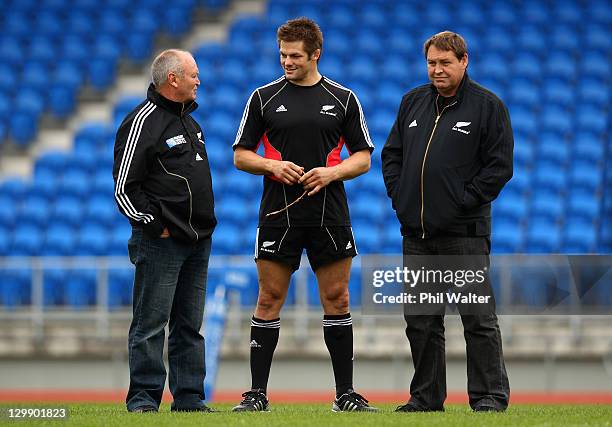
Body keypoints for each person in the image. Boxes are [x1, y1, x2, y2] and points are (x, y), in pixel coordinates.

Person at [231, 18, 377, 412]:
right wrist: (272, 167)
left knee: (337, 297)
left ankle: (344, 394)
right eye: (282, 54)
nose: (286, 62)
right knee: (268, 298)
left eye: (295, 55)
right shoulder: (262, 97)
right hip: (278, 214)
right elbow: (240, 155)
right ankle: (256, 394)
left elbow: (363, 157)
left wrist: (332, 172)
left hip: (330, 215)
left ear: (316, 54)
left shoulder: (343, 98)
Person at [381, 31, 512, 412]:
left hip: (464, 235)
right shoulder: (412, 103)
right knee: (420, 322)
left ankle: (489, 397)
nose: (437, 70)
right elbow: (392, 157)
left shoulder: (488, 107)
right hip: (417, 234)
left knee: (477, 320)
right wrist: (400, 197)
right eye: (431, 63)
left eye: (445, 63)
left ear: (464, 61)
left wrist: (461, 203)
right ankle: (425, 397)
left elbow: (499, 168)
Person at [112, 49, 217, 413]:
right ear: (173, 79)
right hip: (161, 243)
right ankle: (143, 399)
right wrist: (155, 226)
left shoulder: (192, 123)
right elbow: (125, 187)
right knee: (151, 324)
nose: (198, 81)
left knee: (190, 325)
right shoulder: (142, 121)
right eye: (193, 74)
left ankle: (189, 398)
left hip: (198, 241)